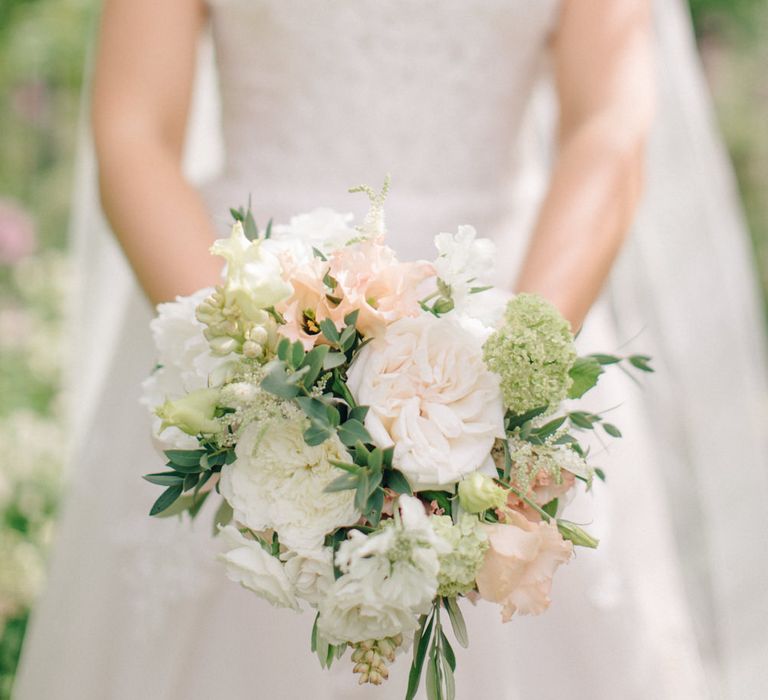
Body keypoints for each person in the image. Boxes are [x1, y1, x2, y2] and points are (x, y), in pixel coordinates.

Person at [13, 0, 768, 698]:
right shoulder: (247, 361)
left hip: (509, 298)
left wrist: (506, 388)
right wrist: (259, 383)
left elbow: (608, 128)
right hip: (236, 305)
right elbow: (133, 133)